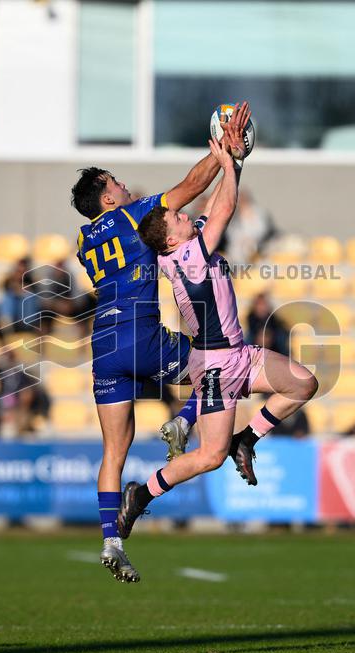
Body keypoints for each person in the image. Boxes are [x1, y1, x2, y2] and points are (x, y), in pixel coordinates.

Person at [69, 102, 251, 583]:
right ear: (108, 199)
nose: (124, 187)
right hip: (141, 334)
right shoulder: (131, 218)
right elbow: (191, 188)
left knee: (114, 451)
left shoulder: (85, 243)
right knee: (218, 359)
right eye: (116, 184)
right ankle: (193, 425)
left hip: (103, 347)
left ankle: (111, 539)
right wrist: (223, 151)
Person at [122, 137, 317, 553]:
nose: (185, 216)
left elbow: (216, 209)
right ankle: (142, 494)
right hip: (214, 367)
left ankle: (246, 439)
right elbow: (223, 209)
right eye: (177, 217)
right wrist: (229, 163)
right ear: (171, 240)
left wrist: (236, 161)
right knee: (209, 457)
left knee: (303, 384)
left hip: (239, 354)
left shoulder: (184, 249)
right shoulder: (187, 257)